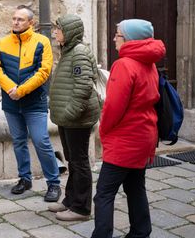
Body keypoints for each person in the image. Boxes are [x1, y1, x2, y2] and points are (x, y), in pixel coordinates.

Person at [91, 19, 165, 238]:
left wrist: (104, 130)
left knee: (104, 193)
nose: (114, 38)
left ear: (129, 39)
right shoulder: (148, 62)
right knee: (135, 188)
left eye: (118, 35)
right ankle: (141, 233)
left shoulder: (124, 64)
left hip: (125, 138)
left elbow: (113, 106)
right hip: (144, 135)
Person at [0, 5, 62, 201]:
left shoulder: (42, 42)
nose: (15, 22)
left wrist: (21, 90)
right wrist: (11, 90)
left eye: (20, 19)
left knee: (41, 141)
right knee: (19, 142)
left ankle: (54, 184)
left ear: (30, 23)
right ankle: (25, 178)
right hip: (11, 103)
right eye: (14, 18)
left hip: (34, 102)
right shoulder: (3, 42)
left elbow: (43, 72)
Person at [48, 15, 100, 221]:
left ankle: (81, 209)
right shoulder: (68, 51)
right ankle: (70, 201)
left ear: (69, 32)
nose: (55, 32)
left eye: (58, 29)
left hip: (76, 118)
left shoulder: (78, 52)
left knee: (79, 161)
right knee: (72, 160)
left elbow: (84, 86)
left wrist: (70, 112)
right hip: (67, 118)